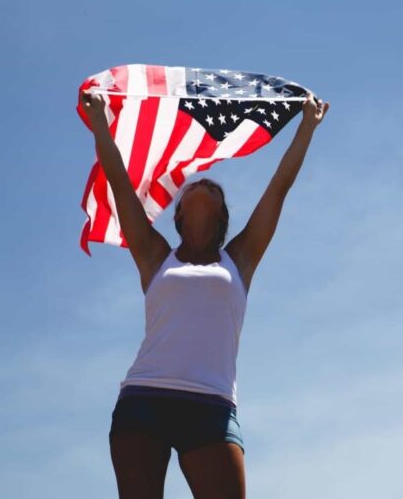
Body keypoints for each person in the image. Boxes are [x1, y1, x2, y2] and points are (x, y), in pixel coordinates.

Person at [78, 88, 330, 499]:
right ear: (176, 213)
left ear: (223, 213)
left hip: (211, 406)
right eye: (196, 185)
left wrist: (307, 126)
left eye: (215, 187)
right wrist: (101, 126)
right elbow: (122, 188)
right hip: (145, 398)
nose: (205, 184)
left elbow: (278, 188)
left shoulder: (240, 259)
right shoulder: (155, 256)